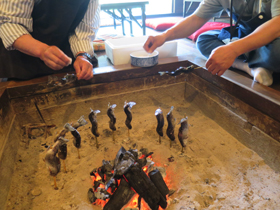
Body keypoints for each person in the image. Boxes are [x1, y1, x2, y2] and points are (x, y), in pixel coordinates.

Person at [144, 0, 280, 86]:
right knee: (204, 40)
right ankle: (249, 67)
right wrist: (164, 36)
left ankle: (251, 58)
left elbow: (277, 24)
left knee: (277, 52)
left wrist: (233, 49)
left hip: (275, 35)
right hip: (245, 34)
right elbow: (196, 19)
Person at [0, 0, 100, 80]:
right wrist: (42, 50)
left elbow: (83, 31)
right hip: (22, 61)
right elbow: (11, 23)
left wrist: (82, 56)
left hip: (64, 59)